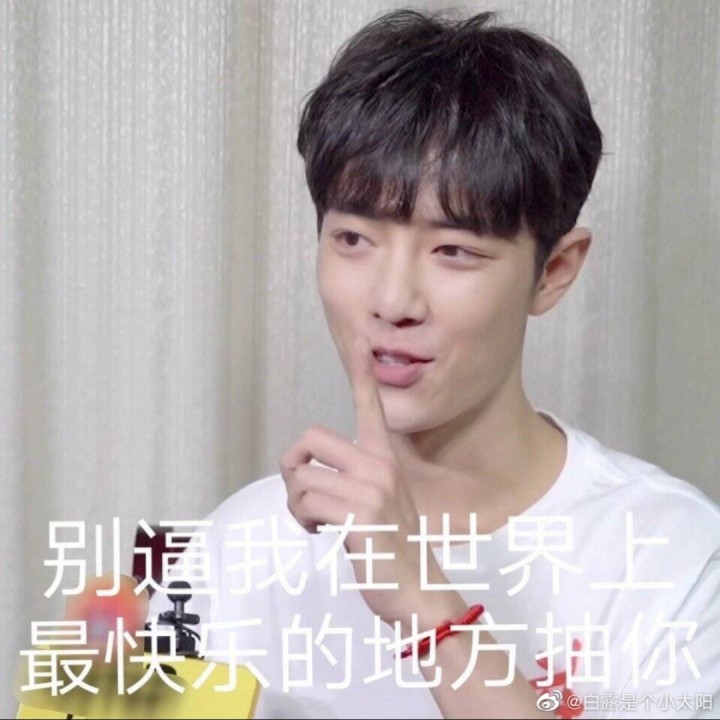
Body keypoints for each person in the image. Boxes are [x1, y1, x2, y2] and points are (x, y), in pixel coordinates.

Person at [148, 9, 720, 719]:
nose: (392, 301)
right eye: (353, 239)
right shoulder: (239, 542)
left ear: (555, 271)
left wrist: (426, 607)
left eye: (454, 250)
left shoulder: (671, 555)